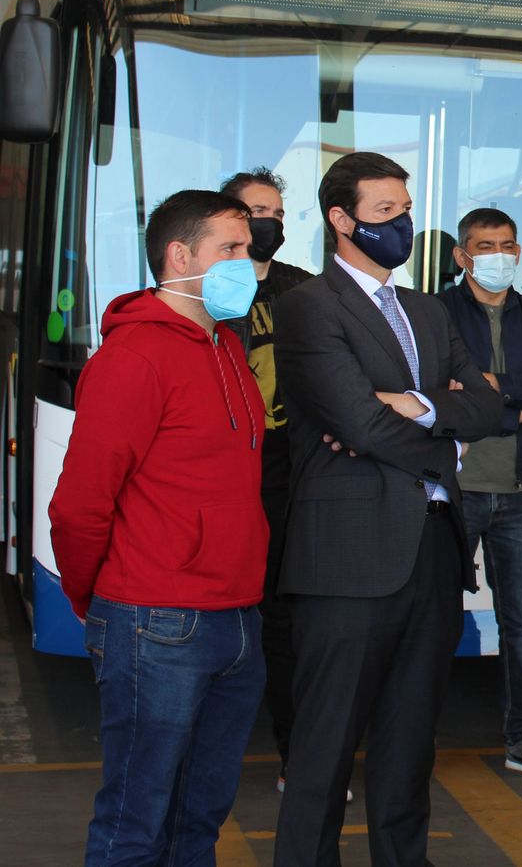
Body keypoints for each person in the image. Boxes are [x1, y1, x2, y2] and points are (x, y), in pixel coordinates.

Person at [271, 152, 501, 867]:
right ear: (341, 221)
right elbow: (356, 422)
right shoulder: (310, 306)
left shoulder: (428, 311)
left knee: (409, 744)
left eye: (405, 209)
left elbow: (489, 403)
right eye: (383, 214)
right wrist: (446, 440)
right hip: (347, 560)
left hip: (432, 550)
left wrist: (420, 404)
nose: (402, 225)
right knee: (324, 750)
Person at [49, 189, 268, 866]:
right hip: (156, 619)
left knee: (199, 816)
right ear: (180, 256)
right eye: (230, 249)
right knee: (134, 821)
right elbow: (80, 506)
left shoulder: (226, 346)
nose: (248, 263)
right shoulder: (134, 357)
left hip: (235, 617)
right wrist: (101, 605)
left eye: (247, 249)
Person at [438, 208, 522, 781]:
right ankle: (410, 738)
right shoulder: (438, 312)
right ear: (462, 256)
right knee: (430, 623)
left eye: (508, 245)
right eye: (485, 245)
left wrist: (489, 389)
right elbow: (434, 394)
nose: (499, 255)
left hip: (521, 492)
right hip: (453, 492)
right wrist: (518, 403)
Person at [218, 167, 315, 790]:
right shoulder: (207, 293)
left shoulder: (304, 290)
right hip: (223, 489)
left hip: (291, 486)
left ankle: (295, 759)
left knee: (286, 629)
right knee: (218, 626)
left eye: (277, 212)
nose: (269, 223)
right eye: (257, 211)